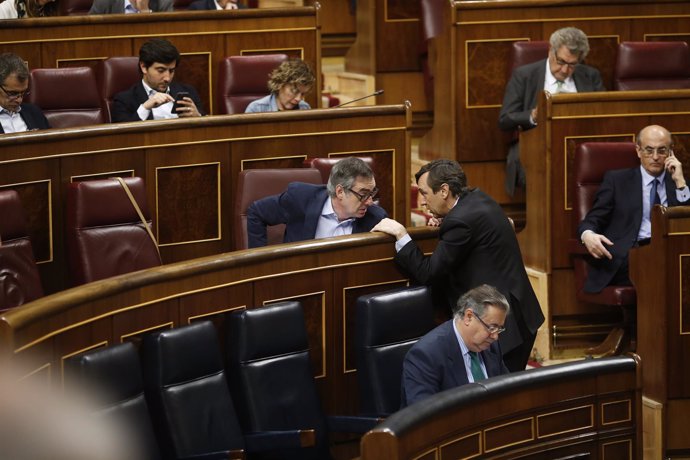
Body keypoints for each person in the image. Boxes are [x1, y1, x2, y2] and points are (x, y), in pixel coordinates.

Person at [371, 159, 544, 372]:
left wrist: (401, 235)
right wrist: (447, 218)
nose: (422, 202)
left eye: (424, 193)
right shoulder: (478, 199)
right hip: (518, 316)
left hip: (502, 329)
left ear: (444, 191)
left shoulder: (460, 221)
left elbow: (428, 272)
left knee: (497, 398)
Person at [578, 125, 689, 293]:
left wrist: (680, 183)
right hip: (628, 256)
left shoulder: (679, 183)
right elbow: (593, 220)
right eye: (648, 150)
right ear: (638, 150)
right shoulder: (617, 181)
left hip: (669, 253)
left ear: (671, 152)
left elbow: (686, 225)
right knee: (660, 266)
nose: (655, 157)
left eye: (662, 151)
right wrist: (588, 235)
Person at [499, 27, 605, 196]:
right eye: (561, 61)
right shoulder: (525, 75)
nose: (564, 70)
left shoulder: (591, 76)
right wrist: (533, 115)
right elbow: (505, 119)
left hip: (579, 145)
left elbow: (604, 115)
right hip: (537, 144)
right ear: (551, 51)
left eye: (572, 65)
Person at [401, 284, 510, 407]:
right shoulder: (425, 356)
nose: (495, 336)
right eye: (491, 327)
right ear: (469, 317)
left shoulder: (491, 346)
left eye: (499, 329)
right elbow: (423, 415)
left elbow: (508, 392)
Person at [247, 157, 387, 248]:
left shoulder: (375, 218)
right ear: (340, 192)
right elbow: (256, 212)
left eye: (372, 193)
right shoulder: (300, 198)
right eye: (363, 194)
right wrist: (261, 265)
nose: (370, 202)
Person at [112, 38, 204, 123]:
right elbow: (122, 137)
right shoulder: (124, 100)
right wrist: (145, 108)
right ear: (144, 67)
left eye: (171, 71)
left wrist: (198, 117)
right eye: (161, 70)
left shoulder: (188, 92)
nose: (167, 78)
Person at [0, 53, 50, 134]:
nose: (19, 100)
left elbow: (51, 145)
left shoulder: (34, 113)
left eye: (23, 92)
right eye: (12, 93)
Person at [244, 58, 315, 113]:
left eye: (303, 94)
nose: (298, 99)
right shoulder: (256, 109)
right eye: (294, 91)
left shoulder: (304, 108)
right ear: (280, 84)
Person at [89, 0, 172, 14]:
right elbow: (90, 31)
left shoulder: (163, 2)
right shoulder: (104, 2)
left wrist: (145, 11)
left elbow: (167, 36)